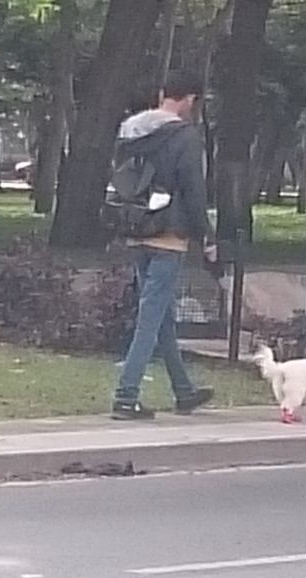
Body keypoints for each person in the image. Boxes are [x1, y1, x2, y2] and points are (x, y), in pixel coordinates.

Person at [111, 70, 218, 420]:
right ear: (189, 100)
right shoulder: (184, 136)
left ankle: (183, 391)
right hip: (169, 234)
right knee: (150, 316)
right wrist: (206, 237)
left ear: (162, 93)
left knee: (161, 317)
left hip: (135, 227)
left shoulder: (130, 131)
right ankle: (126, 395)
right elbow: (193, 190)